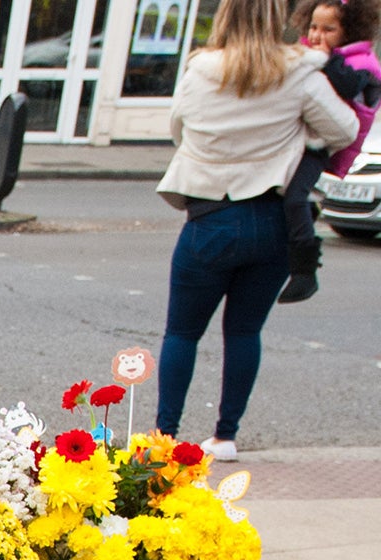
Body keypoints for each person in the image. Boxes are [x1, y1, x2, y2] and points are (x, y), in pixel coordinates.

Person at [154, 0, 357, 458]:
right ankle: (225, 436)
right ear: (278, 19)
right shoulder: (301, 71)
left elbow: (179, 129)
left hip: (209, 219)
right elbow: (343, 129)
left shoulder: (201, 71)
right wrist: (303, 136)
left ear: (224, 17)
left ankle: (165, 438)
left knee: (182, 333)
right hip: (272, 220)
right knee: (244, 332)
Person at [279, 0, 381, 302]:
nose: (317, 34)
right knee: (288, 197)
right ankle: (304, 217)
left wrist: (322, 59)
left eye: (328, 29)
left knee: (295, 195)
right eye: (313, 27)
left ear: (348, 32)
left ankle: (304, 270)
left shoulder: (361, 63)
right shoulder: (314, 55)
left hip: (325, 146)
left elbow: (346, 87)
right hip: (306, 139)